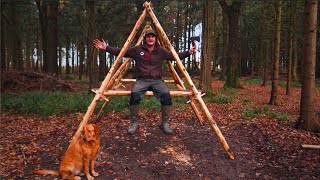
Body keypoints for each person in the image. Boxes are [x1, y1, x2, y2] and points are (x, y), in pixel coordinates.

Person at [93, 29, 196, 135]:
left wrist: (189, 52)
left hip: (157, 81)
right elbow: (122, 52)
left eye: (152, 37)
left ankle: (165, 123)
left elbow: (175, 57)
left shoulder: (161, 51)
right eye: (148, 37)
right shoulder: (137, 50)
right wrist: (106, 48)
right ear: (145, 38)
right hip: (142, 80)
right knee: (135, 95)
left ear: (156, 39)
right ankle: (134, 123)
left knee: (166, 95)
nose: (150, 38)